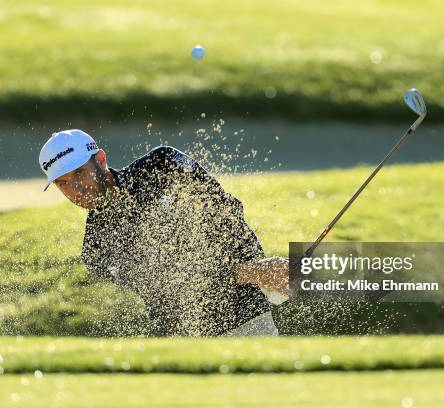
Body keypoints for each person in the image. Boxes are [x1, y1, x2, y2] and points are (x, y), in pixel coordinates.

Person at [39, 129, 289, 336]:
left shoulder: (163, 164)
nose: (77, 188)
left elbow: (227, 212)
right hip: (188, 340)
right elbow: (172, 283)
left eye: (80, 173)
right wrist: (252, 271)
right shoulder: (96, 248)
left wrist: (269, 270)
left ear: (101, 159)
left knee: (321, 273)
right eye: (63, 183)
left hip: (248, 315)